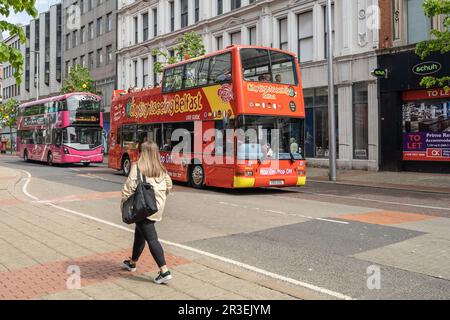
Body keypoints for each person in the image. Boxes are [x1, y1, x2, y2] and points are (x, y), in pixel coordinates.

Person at [120, 141, 173, 284]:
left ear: (143, 153)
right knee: (140, 233)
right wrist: (160, 196)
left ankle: (164, 270)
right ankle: (132, 262)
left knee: (152, 239)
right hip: (156, 207)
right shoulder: (161, 169)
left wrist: (124, 203)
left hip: (144, 208)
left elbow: (128, 188)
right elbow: (169, 185)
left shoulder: (137, 167)